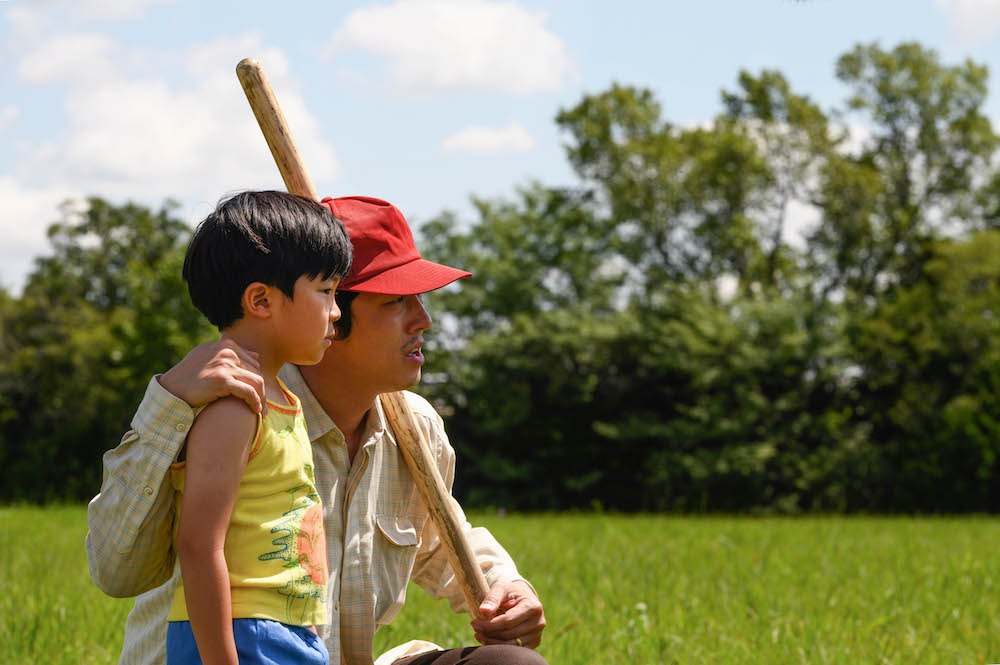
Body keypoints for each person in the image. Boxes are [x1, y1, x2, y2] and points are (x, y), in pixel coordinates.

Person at [87, 195, 548, 665]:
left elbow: (440, 539)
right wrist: (167, 404)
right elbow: (115, 571)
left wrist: (506, 586)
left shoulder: (416, 428)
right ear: (332, 314)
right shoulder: (228, 404)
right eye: (395, 301)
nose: (423, 320)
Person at [165, 190, 352, 664]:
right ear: (261, 300)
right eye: (327, 292)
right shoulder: (235, 407)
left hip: (284, 631)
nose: (336, 311)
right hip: (243, 634)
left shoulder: (283, 400)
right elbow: (198, 543)